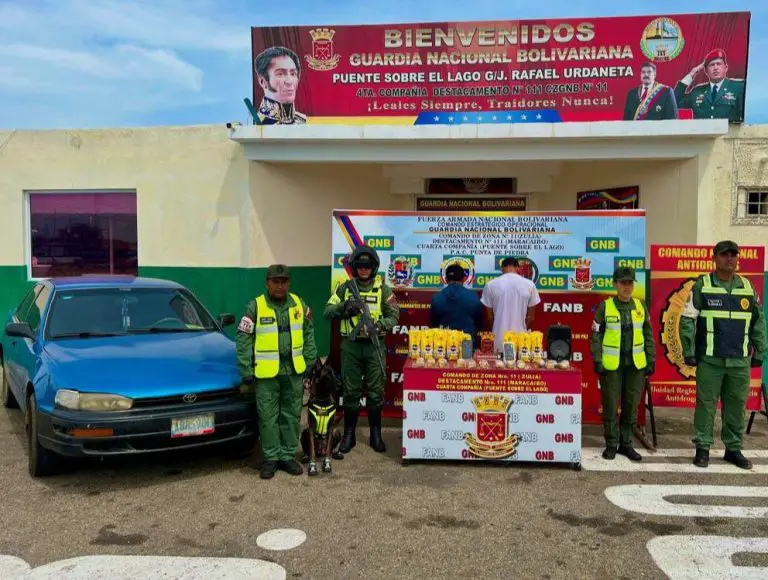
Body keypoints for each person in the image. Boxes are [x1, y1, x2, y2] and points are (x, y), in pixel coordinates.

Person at [679, 241, 766, 469]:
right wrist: (688, 351)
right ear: (714, 258)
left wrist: (761, 350)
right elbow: (687, 320)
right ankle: (703, 448)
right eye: (724, 254)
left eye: (733, 255)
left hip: (739, 360)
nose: (730, 259)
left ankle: (733, 449)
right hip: (710, 360)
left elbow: (758, 322)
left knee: (736, 405)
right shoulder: (702, 286)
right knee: (706, 405)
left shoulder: (747, 287)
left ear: (738, 258)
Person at [235, 264, 317, 479]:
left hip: (293, 372)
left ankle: (287, 456)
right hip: (266, 374)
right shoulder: (255, 306)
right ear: (267, 283)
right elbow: (243, 338)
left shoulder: (299, 304)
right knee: (268, 417)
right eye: (275, 281)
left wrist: (310, 360)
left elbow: (309, 332)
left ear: (288, 283)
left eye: (284, 281)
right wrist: (246, 368)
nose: (280, 286)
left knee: (291, 415)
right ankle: (271, 458)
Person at [324, 245, 400, 454]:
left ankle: (376, 433)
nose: (364, 270)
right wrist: (344, 308)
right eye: (359, 266)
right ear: (354, 268)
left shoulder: (383, 289)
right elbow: (327, 311)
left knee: (376, 391)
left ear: (373, 268)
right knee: (351, 391)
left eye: (367, 266)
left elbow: (394, 316)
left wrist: (378, 325)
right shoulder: (345, 289)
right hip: (351, 346)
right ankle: (349, 435)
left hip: (374, 346)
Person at [590, 267, 656, 462]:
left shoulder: (640, 306)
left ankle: (626, 444)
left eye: (630, 283)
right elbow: (595, 335)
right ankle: (611, 444)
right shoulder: (605, 307)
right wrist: (597, 359)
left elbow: (648, 335)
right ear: (615, 284)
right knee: (610, 406)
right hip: (612, 366)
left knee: (631, 406)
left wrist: (651, 359)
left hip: (636, 366)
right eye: (623, 283)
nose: (627, 287)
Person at [481, 257, 541, 352]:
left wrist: (497, 328)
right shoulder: (530, 285)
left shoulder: (490, 285)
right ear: (518, 268)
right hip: (521, 342)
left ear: (502, 268)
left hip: (498, 341)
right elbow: (530, 317)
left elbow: (489, 317)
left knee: (499, 366)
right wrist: (523, 330)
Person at [674, 49, 745, 122]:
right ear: (706, 71)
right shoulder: (697, 91)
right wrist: (691, 75)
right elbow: (674, 103)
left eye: (719, 64)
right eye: (712, 65)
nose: (715, 68)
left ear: (726, 68)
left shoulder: (738, 87)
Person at [253, 46, 306, 125]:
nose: (289, 81)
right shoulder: (257, 125)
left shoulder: (304, 121)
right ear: (262, 81)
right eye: (280, 74)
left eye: (293, 74)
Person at [430, 263, 483, 339]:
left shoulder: (436, 298)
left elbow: (434, 325)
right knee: (467, 350)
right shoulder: (473, 297)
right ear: (464, 279)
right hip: (466, 343)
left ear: (446, 279)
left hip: (445, 343)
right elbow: (479, 325)